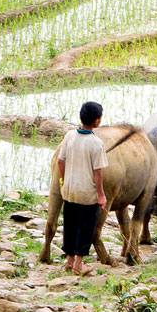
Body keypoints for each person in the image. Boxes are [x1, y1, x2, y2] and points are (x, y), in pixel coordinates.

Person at [57, 101, 108, 275]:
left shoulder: (70, 136)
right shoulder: (96, 143)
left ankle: (69, 260)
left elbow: (60, 161)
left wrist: (64, 180)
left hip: (69, 191)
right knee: (85, 227)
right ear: (96, 121)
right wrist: (101, 195)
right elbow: (98, 172)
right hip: (87, 194)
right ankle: (79, 265)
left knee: (70, 225)